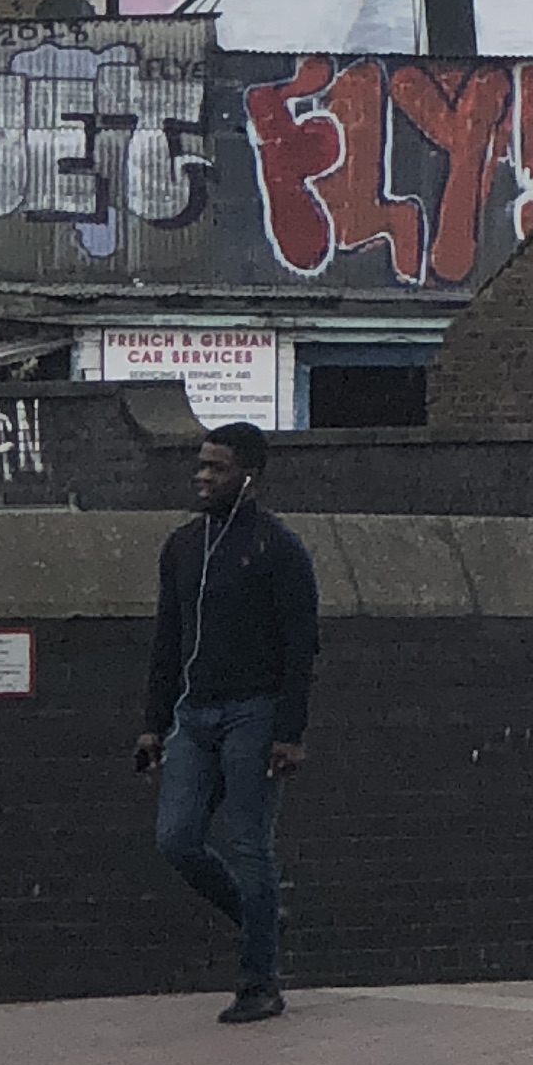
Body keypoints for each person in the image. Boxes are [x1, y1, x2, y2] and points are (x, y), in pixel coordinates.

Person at [136, 425, 321, 1025]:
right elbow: (167, 641)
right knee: (177, 839)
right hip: (193, 716)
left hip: (256, 713)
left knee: (249, 843)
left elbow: (301, 647)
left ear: (249, 476)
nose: (203, 476)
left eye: (217, 468)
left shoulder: (277, 548)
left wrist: (290, 733)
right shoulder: (182, 546)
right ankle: (259, 918)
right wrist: (152, 723)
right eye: (201, 466)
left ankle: (258, 983)